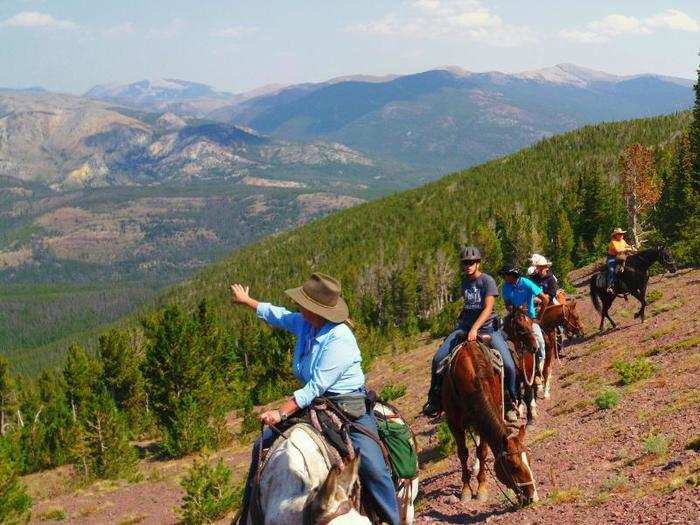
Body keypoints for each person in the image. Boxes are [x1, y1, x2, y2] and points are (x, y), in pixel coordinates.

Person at [231, 273, 400, 525]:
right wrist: (248, 301)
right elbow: (279, 315)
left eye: (303, 303)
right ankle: (247, 515)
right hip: (316, 405)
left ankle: (393, 519)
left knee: (373, 466)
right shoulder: (306, 323)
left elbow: (315, 386)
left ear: (316, 309)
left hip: (348, 407)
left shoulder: (340, 338)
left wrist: (280, 413)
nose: (298, 307)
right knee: (261, 446)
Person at [422, 246, 519, 422]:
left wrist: (475, 328)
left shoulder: (487, 281)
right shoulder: (465, 282)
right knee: (438, 359)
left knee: (509, 365)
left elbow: (488, 307)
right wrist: (465, 325)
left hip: (487, 328)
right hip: (464, 327)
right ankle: (434, 398)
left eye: (471, 262)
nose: (468, 265)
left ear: (478, 263)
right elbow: (467, 305)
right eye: (465, 263)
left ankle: (511, 401)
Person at [499, 264, 549, 372]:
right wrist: (515, 308)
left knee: (539, 341)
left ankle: (540, 367)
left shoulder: (526, 283)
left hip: (529, 317)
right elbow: (507, 304)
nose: (504, 278)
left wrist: (538, 318)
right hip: (514, 315)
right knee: (501, 334)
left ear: (512, 275)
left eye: (505, 276)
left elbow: (545, 299)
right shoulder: (505, 287)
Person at [606, 228, 635, 293]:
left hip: (622, 256)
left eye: (622, 234)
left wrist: (632, 248)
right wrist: (627, 249)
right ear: (615, 235)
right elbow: (618, 250)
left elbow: (626, 246)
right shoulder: (613, 242)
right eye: (619, 234)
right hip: (612, 258)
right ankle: (610, 286)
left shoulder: (623, 241)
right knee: (611, 270)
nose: (621, 235)